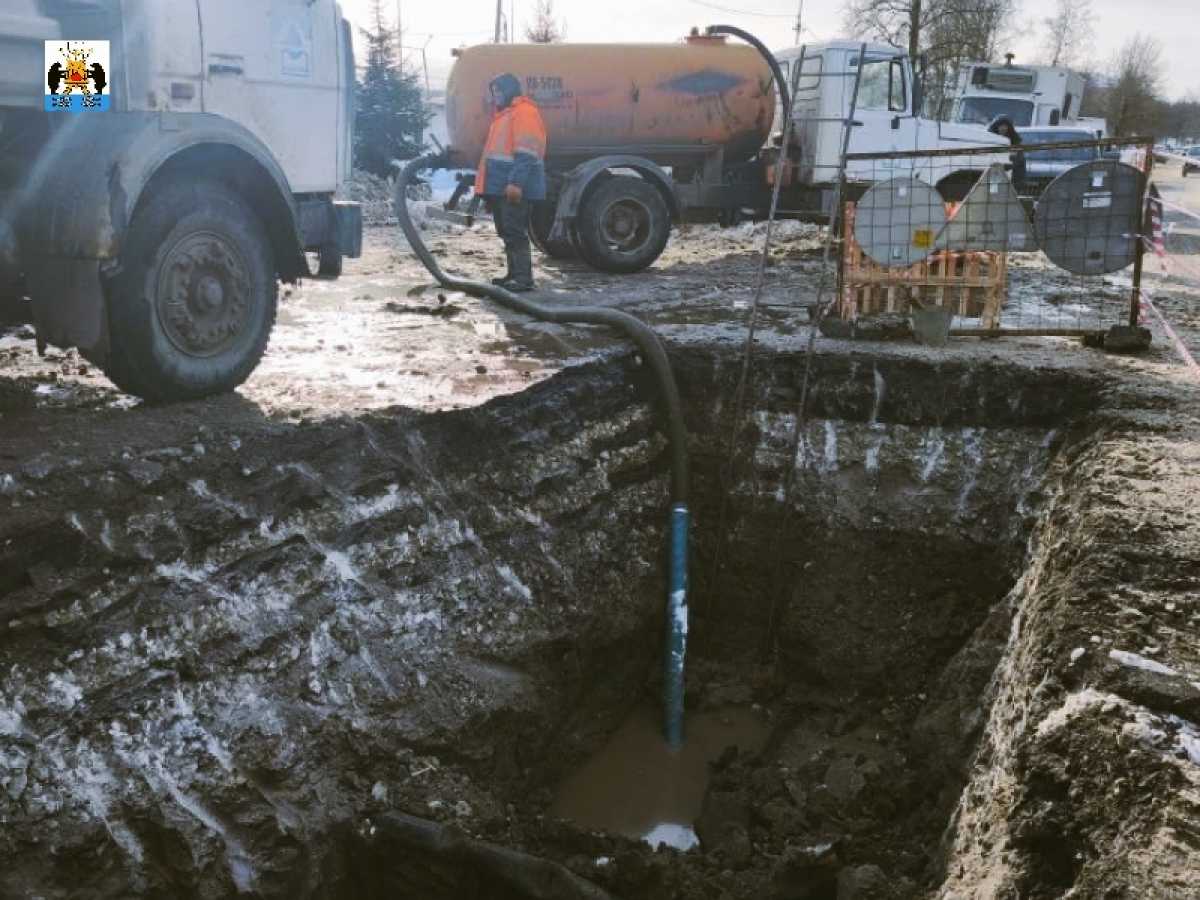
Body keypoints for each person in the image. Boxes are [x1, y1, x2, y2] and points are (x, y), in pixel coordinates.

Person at [475, 73, 547, 292]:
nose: (495, 96)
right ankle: (513, 275)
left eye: (499, 91)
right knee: (507, 232)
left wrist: (516, 183)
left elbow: (526, 152)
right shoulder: (504, 115)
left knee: (515, 232)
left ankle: (524, 279)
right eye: (493, 92)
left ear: (509, 90)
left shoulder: (524, 112)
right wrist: (488, 191)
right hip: (501, 186)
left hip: (515, 187)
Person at [988, 116, 1025, 191]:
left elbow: (1018, 158)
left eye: (1005, 126)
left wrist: (1007, 164)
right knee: (993, 191)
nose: (1003, 128)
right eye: (1001, 126)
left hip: (1013, 172)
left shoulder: (1014, 140)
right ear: (996, 126)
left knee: (1010, 192)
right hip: (994, 170)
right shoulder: (990, 138)